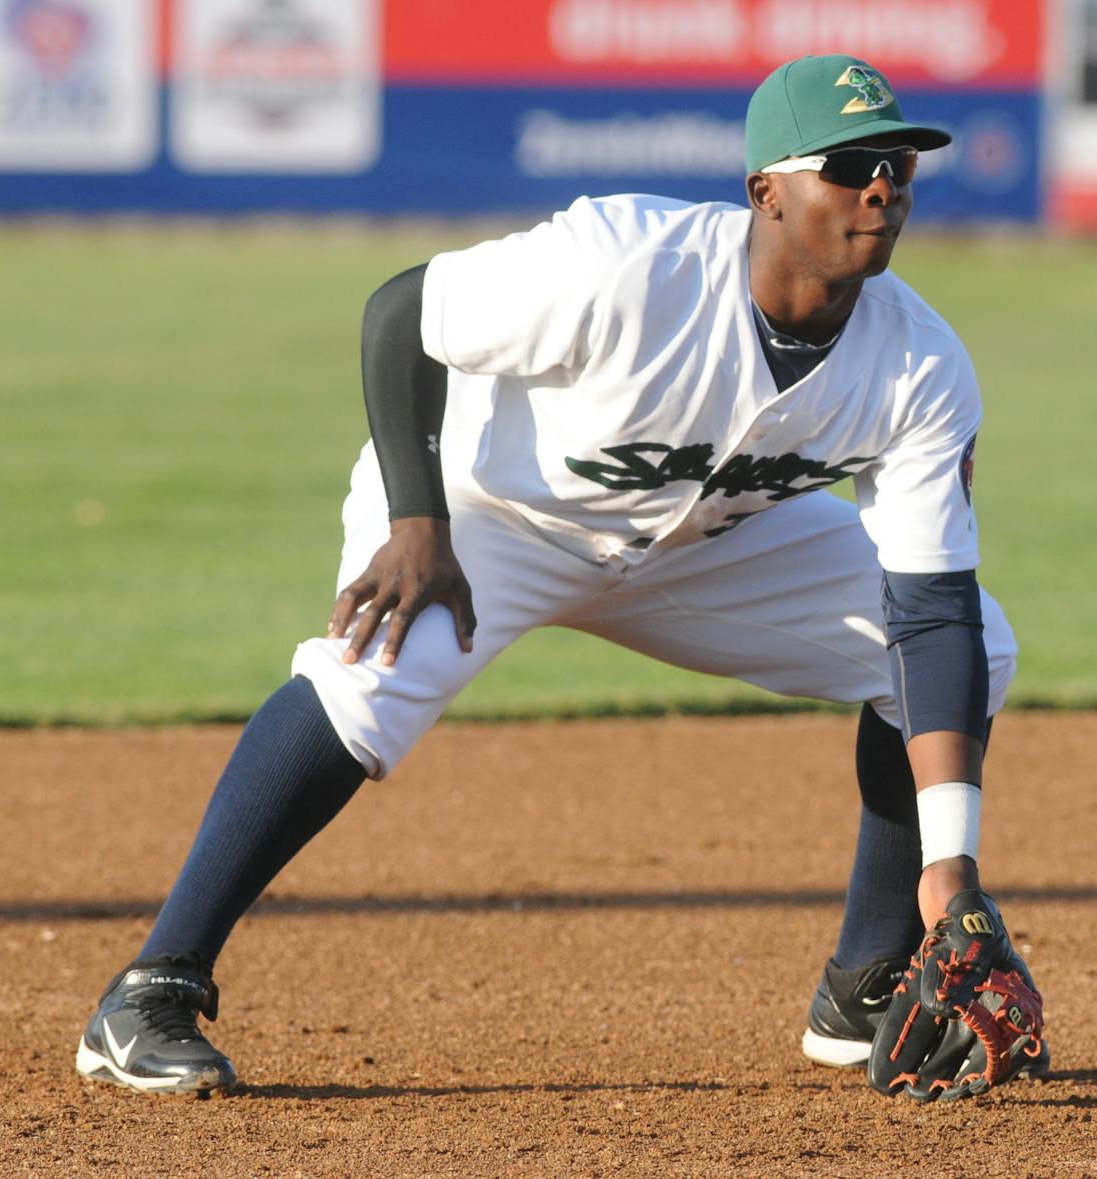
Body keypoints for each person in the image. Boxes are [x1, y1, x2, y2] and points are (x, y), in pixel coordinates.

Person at [75, 53, 1041, 1101]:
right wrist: (414, 519)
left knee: (972, 643)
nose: (882, 187)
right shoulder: (626, 264)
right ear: (764, 188)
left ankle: (862, 990)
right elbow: (402, 314)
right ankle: (150, 991)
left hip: (709, 542)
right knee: (374, 674)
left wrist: (952, 873)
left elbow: (929, 607)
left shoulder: (919, 365)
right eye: (850, 164)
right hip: (491, 516)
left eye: (898, 163)